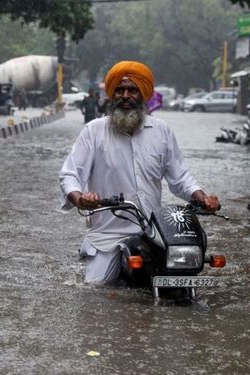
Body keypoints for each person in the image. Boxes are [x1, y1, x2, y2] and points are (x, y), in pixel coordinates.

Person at [59, 60, 220, 284]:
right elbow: (70, 175)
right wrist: (80, 198)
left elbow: (180, 177)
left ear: (143, 94)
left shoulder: (162, 131)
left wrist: (202, 197)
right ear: (111, 95)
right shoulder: (93, 132)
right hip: (108, 236)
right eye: (120, 90)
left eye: (133, 90)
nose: (126, 96)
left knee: (184, 277)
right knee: (95, 289)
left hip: (155, 233)